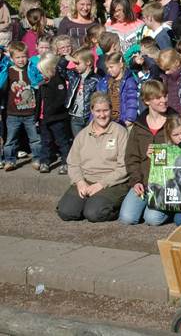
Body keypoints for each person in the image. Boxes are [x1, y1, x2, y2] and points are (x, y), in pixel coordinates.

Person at [56, 92, 129, 223]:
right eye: (98, 111)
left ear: (111, 110)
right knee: (66, 212)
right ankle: (89, 203)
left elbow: (124, 167)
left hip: (112, 183)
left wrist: (101, 184)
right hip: (86, 180)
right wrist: (79, 181)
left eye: (106, 110)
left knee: (94, 213)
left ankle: (117, 206)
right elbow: (73, 163)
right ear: (92, 111)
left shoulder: (120, 132)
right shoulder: (83, 135)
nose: (102, 115)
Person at [118, 80, 174, 226]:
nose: (164, 100)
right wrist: (136, 181)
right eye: (158, 97)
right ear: (147, 101)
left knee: (152, 219)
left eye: (165, 95)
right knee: (127, 218)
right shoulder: (139, 125)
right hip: (144, 180)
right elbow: (131, 157)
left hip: (166, 182)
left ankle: (173, 208)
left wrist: (163, 153)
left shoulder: (175, 121)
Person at [0, 42, 41, 171]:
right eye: (17, 57)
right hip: (13, 113)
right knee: (11, 139)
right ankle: (10, 161)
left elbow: (39, 81)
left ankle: (37, 159)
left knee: (35, 139)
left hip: (30, 112)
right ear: (11, 58)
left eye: (23, 56)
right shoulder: (9, 71)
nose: (21, 60)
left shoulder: (31, 70)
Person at [35, 53, 72, 174]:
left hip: (57, 118)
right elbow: (39, 101)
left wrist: (49, 111)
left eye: (43, 71)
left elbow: (61, 100)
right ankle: (44, 161)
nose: (42, 74)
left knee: (62, 141)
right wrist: (36, 117)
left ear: (51, 69)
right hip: (44, 119)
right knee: (45, 141)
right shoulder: (43, 83)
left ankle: (65, 162)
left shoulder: (58, 81)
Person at [57, 47, 102, 137]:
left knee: (90, 141)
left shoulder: (96, 79)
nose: (75, 66)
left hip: (89, 116)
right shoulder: (74, 75)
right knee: (78, 141)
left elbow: (99, 98)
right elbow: (59, 69)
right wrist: (65, 58)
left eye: (77, 63)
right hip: (75, 116)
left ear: (88, 62)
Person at [96, 52, 139, 127]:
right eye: (107, 68)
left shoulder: (129, 81)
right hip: (108, 120)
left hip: (124, 120)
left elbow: (132, 100)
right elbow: (97, 101)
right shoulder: (104, 81)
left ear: (121, 64)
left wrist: (129, 119)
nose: (109, 70)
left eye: (111, 67)